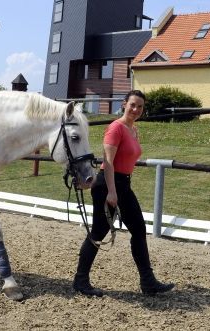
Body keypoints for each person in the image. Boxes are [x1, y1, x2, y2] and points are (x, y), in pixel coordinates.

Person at [73, 90, 175, 297]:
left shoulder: (133, 130)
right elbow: (108, 162)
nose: (136, 109)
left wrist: (120, 187)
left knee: (138, 229)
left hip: (123, 184)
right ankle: (80, 281)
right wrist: (111, 191)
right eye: (133, 105)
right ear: (124, 104)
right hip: (108, 184)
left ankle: (148, 282)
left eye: (140, 107)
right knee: (98, 232)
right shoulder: (115, 128)